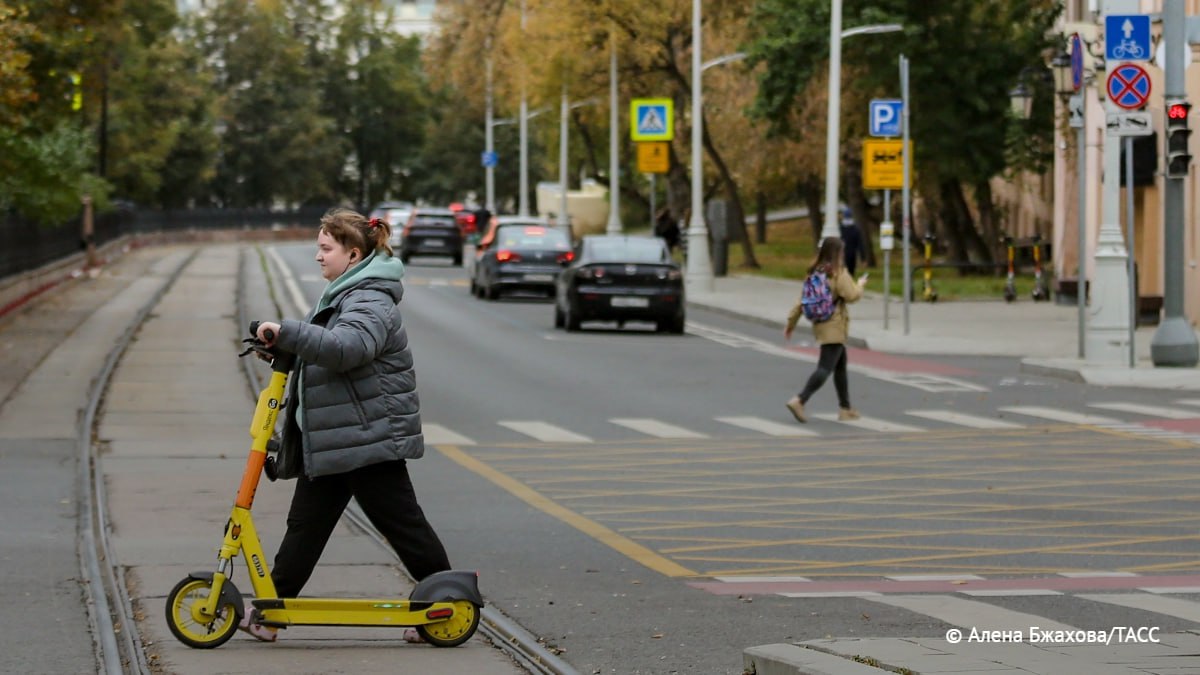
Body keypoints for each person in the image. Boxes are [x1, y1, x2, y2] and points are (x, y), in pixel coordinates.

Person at [247, 207, 450, 643]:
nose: (318, 257)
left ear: (353, 254)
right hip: (340, 436)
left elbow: (348, 348)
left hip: (368, 436)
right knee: (306, 526)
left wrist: (289, 333)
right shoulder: (345, 292)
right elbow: (331, 356)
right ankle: (271, 613)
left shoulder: (370, 298)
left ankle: (447, 603)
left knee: (403, 525)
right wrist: (285, 349)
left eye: (326, 248)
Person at [783, 237, 867, 423]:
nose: (844, 254)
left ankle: (845, 409)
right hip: (834, 325)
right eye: (842, 251)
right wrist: (860, 285)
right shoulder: (838, 273)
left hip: (821, 324)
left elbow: (801, 302)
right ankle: (800, 400)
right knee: (825, 367)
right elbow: (851, 296)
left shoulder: (815, 272)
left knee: (840, 366)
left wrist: (790, 324)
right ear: (837, 253)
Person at [839, 207, 862, 277]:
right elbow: (859, 243)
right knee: (850, 272)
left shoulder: (840, 228)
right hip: (852, 253)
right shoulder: (855, 228)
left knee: (843, 271)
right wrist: (862, 256)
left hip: (842, 253)